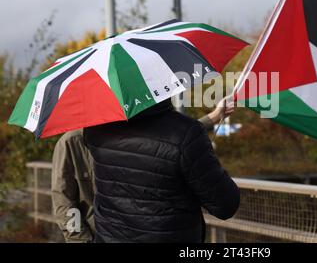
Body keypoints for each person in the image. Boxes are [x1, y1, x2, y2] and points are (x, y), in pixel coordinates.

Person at [51, 98, 236, 243]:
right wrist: (81, 240)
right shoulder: (72, 142)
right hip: (99, 235)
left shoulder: (115, 129)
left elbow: (162, 143)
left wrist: (213, 117)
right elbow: (63, 201)